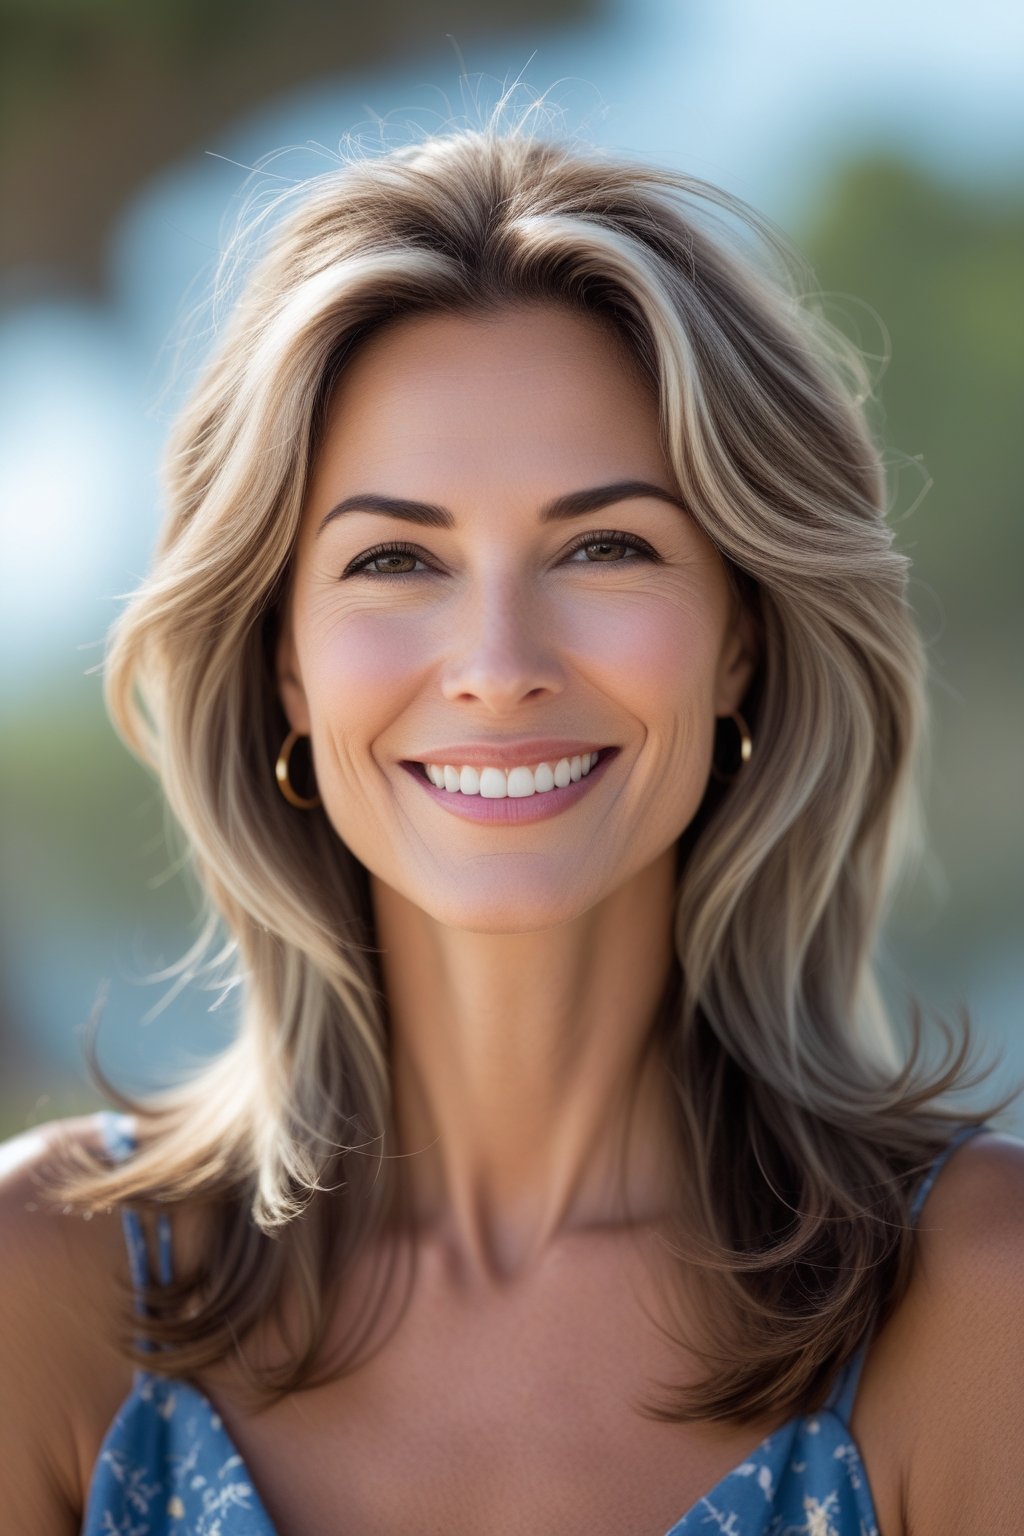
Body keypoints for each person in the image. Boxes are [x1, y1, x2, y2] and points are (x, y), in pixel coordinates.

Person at [2, 109, 1022, 1536]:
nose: (496, 661)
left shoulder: (978, 1304)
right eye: (395, 558)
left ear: (742, 641)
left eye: (606, 545)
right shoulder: (43, 1291)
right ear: (283, 665)